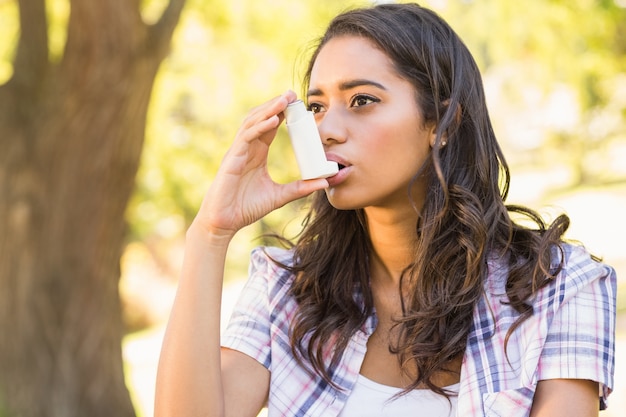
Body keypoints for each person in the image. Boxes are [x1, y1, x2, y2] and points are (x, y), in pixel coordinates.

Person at [154, 3, 617, 417]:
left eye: (362, 101)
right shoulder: (286, 289)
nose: (326, 130)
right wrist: (210, 233)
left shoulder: (560, 289)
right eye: (316, 106)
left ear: (441, 124)